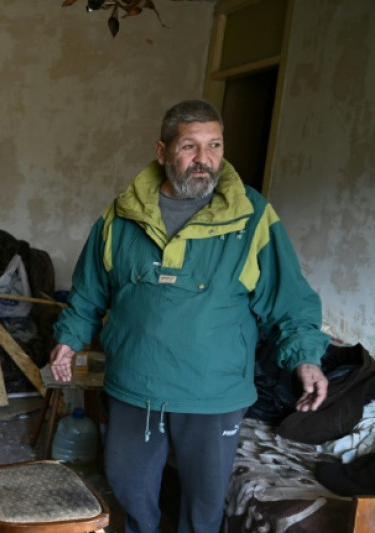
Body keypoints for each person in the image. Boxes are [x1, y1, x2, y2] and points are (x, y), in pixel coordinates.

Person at [49, 99, 330, 533]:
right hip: (135, 384)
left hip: (211, 391)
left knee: (203, 505)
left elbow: (288, 300)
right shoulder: (121, 216)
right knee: (128, 486)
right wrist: (69, 339)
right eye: (190, 146)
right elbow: (90, 291)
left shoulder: (251, 217)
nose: (204, 160)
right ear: (162, 152)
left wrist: (306, 360)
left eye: (214, 145)